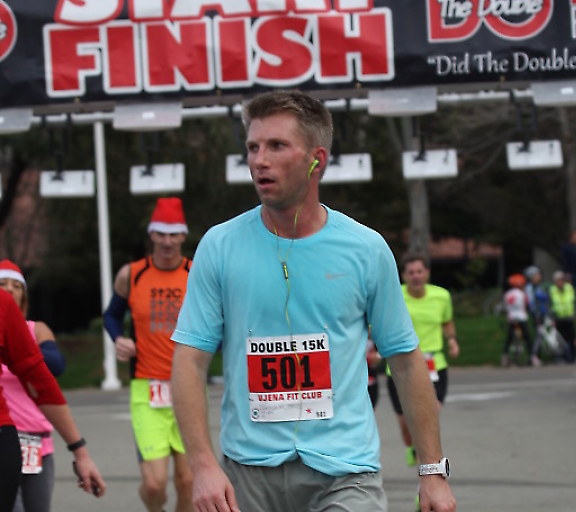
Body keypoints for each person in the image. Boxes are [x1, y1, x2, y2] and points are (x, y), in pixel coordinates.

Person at [170, 91, 456, 512]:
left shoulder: (365, 249)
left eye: (276, 146)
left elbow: (406, 361)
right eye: (253, 147)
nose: (259, 160)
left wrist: (433, 472)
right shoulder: (219, 246)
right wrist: (202, 466)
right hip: (248, 475)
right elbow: (189, 360)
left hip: (345, 472)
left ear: (315, 160)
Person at [103, 197, 194, 512]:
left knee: (188, 481)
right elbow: (111, 316)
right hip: (147, 387)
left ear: (183, 236)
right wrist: (118, 339)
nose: (167, 242)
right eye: (161, 234)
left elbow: (218, 322)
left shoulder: (196, 272)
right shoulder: (132, 274)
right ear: (151, 234)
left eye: (174, 234)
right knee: (155, 485)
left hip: (188, 385)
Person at [0, 289, 106, 510]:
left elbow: (41, 377)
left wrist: (80, 451)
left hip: (28, 439)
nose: (10, 288)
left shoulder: (12, 312)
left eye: (16, 285)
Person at [0, 260, 67, 512]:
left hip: (37, 443)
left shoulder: (36, 329)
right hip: (5, 438)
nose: (9, 289)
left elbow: (57, 364)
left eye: (16, 286)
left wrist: (20, 351)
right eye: (3, 284)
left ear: (24, 295)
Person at [386, 253, 459, 475]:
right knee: (405, 422)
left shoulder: (442, 296)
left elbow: (447, 321)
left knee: (427, 415)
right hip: (400, 365)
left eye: (419, 271)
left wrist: (452, 340)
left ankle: (425, 468)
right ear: (403, 276)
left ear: (427, 273)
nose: (416, 276)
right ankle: (412, 446)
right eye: (411, 272)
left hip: (433, 363)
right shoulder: (393, 296)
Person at [501, 274, 538, 367]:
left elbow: (506, 307)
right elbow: (526, 305)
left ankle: (504, 356)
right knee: (527, 338)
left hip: (511, 318)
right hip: (521, 317)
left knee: (509, 338)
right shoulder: (522, 294)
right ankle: (532, 357)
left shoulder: (507, 294)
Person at [523, 266, 551, 361]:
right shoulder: (530, 288)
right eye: (537, 275)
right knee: (538, 335)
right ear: (532, 277)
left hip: (541, 313)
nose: (539, 276)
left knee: (540, 334)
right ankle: (533, 355)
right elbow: (531, 302)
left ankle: (537, 355)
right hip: (536, 315)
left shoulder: (538, 286)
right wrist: (544, 296)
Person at [549, 270, 576, 363]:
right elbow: (550, 305)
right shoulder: (552, 290)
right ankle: (562, 357)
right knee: (561, 339)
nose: (560, 282)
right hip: (559, 318)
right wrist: (552, 318)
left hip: (569, 316)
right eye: (558, 280)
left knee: (572, 338)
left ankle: (574, 357)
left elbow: (574, 301)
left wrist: (574, 312)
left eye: (561, 280)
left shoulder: (569, 288)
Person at [559, 230, 576, 295]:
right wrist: (567, 272)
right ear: (571, 237)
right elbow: (564, 260)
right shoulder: (566, 247)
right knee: (570, 289)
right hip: (569, 273)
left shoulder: (575, 247)